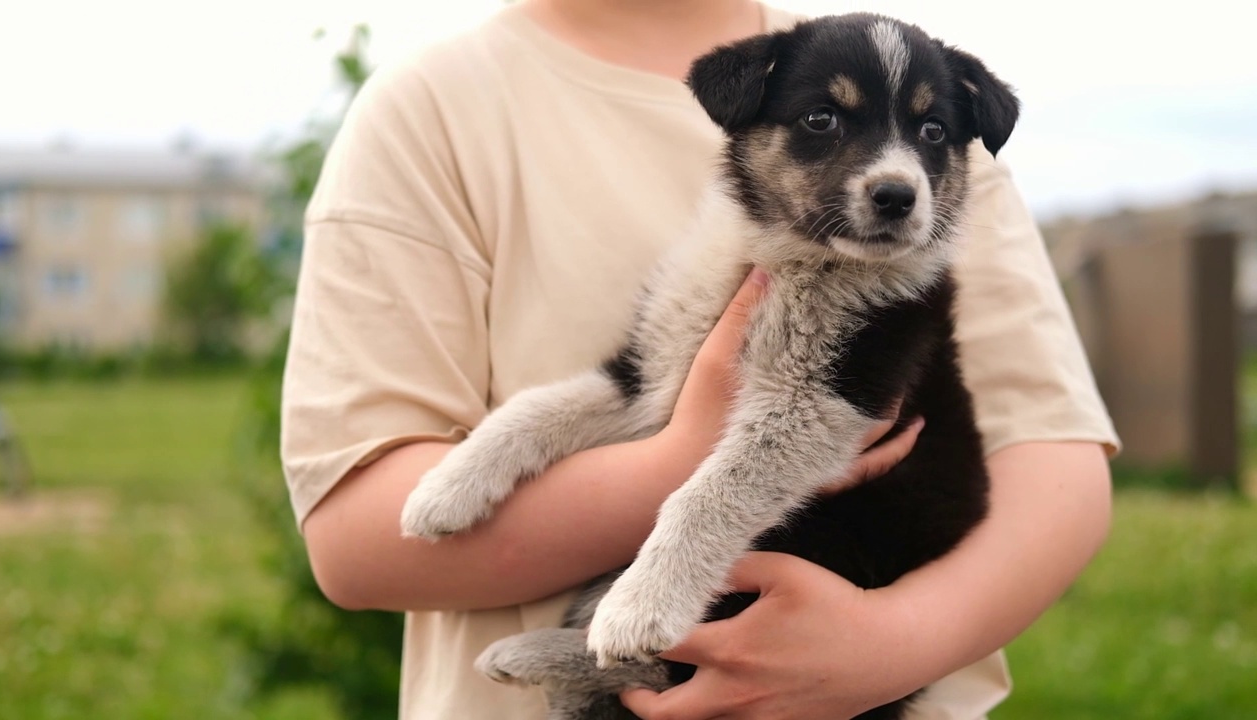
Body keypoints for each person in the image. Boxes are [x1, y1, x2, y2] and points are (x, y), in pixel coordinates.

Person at [280, 1, 1120, 718]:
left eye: (930, 134)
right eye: (825, 124)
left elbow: (1058, 463)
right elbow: (357, 541)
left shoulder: (926, 165)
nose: (893, 171)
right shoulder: (430, 111)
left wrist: (892, 644)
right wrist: (679, 461)